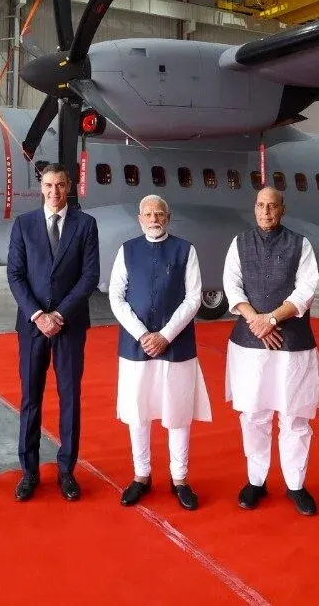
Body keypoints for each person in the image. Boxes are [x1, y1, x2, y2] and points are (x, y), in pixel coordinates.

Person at [222, 185, 319, 515]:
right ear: (255, 208)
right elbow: (231, 285)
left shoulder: (300, 244)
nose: (266, 211)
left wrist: (273, 319)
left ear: (283, 209)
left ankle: (295, 484)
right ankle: (256, 481)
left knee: (294, 417)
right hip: (250, 345)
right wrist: (256, 321)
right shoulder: (239, 244)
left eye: (272, 206)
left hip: (292, 345)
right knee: (254, 414)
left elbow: (306, 290)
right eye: (261, 205)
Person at [108, 195, 211, 511]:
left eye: (159, 214)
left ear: (168, 217)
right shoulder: (127, 250)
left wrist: (165, 336)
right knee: (138, 412)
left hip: (176, 345)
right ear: (140, 218)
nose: (154, 219)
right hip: (135, 345)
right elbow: (116, 296)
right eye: (148, 214)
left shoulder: (185, 250)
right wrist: (142, 335)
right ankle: (141, 475)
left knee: (177, 413)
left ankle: (179, 479)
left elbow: (194, 298)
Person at [7, 163, 100, 502]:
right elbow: (15, 275)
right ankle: (29, 471)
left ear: (69, 186)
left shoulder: (86, 224)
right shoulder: (24, 224)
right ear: (41, 188)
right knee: (30, 397)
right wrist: (37, 315)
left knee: (69, 398)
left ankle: (66, 470)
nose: (55, 191)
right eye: (48, 185)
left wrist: (58, 314)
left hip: (69, 325)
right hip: (32, 326)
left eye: (61, 185)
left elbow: (89, 277)